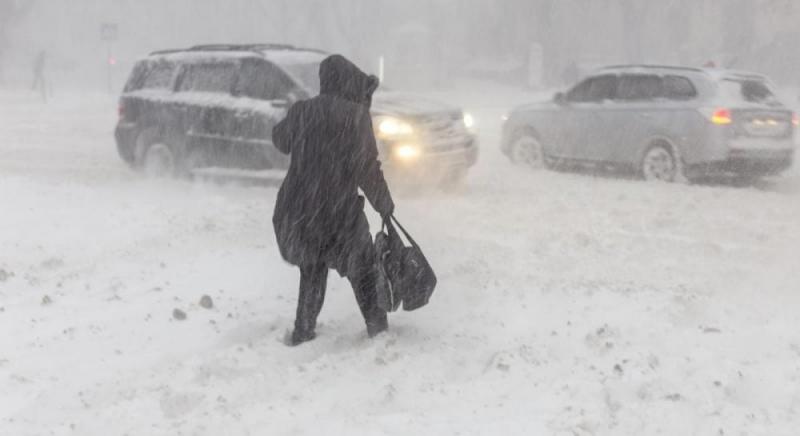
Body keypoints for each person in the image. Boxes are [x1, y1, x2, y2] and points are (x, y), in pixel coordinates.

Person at [272, 55, 395, 346]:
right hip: (339, 211)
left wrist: (301, 121)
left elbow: (280, 140)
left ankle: (303, 331)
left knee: (312, 270)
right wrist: (384, 205)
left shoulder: (304, 111)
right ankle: (378, 331)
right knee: (363, 270)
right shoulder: (355, 116)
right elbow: (367, 168)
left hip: (299, 209)